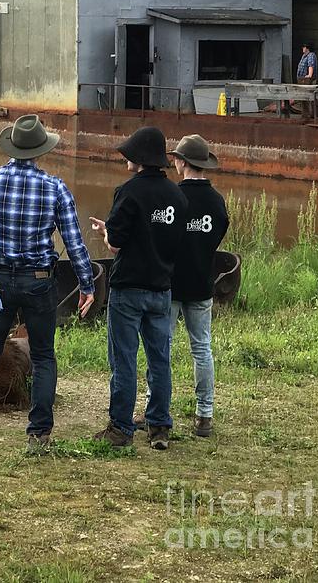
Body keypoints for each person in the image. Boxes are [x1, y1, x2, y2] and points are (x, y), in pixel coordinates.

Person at [0, 114, 95, 452]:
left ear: (11, 147)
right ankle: (38, 436)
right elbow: (75, 244)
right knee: (44, 356)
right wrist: (87, 284)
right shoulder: (55, 187)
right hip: (39, 282)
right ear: (39, 151)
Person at [89, 127, 187, 451]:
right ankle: (159, 427)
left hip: (128, 288)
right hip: (162, 288)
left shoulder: (128, 192)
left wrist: (106, 233)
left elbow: (116, 244)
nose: (126, 158)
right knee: (160, 359)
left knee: (124, 359)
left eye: (129, 154)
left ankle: (120, 429)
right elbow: (170, 239)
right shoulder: (178, 196)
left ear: (140, 158)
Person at [135, 135, 229, 438]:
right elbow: (217, 236)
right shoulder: (217, 201)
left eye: (176, 158)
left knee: (161, 348)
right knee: (202, 348)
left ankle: (154, 409)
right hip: (202, 283)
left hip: (170, 284)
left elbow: (161, 236)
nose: (173, 162)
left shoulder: (173, 196)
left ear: (183, 162)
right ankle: (205, 414)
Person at [295, 42, 318, 118]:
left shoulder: (311, 55)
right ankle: (305, 114)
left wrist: (309, 75)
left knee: (309, 97)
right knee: (304, 98)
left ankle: (310, 115)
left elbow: (310, 65)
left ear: (307, 48)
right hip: (303, 80)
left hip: (308, 80)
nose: (303, 48)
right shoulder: (304, 56)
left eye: (304, 47)